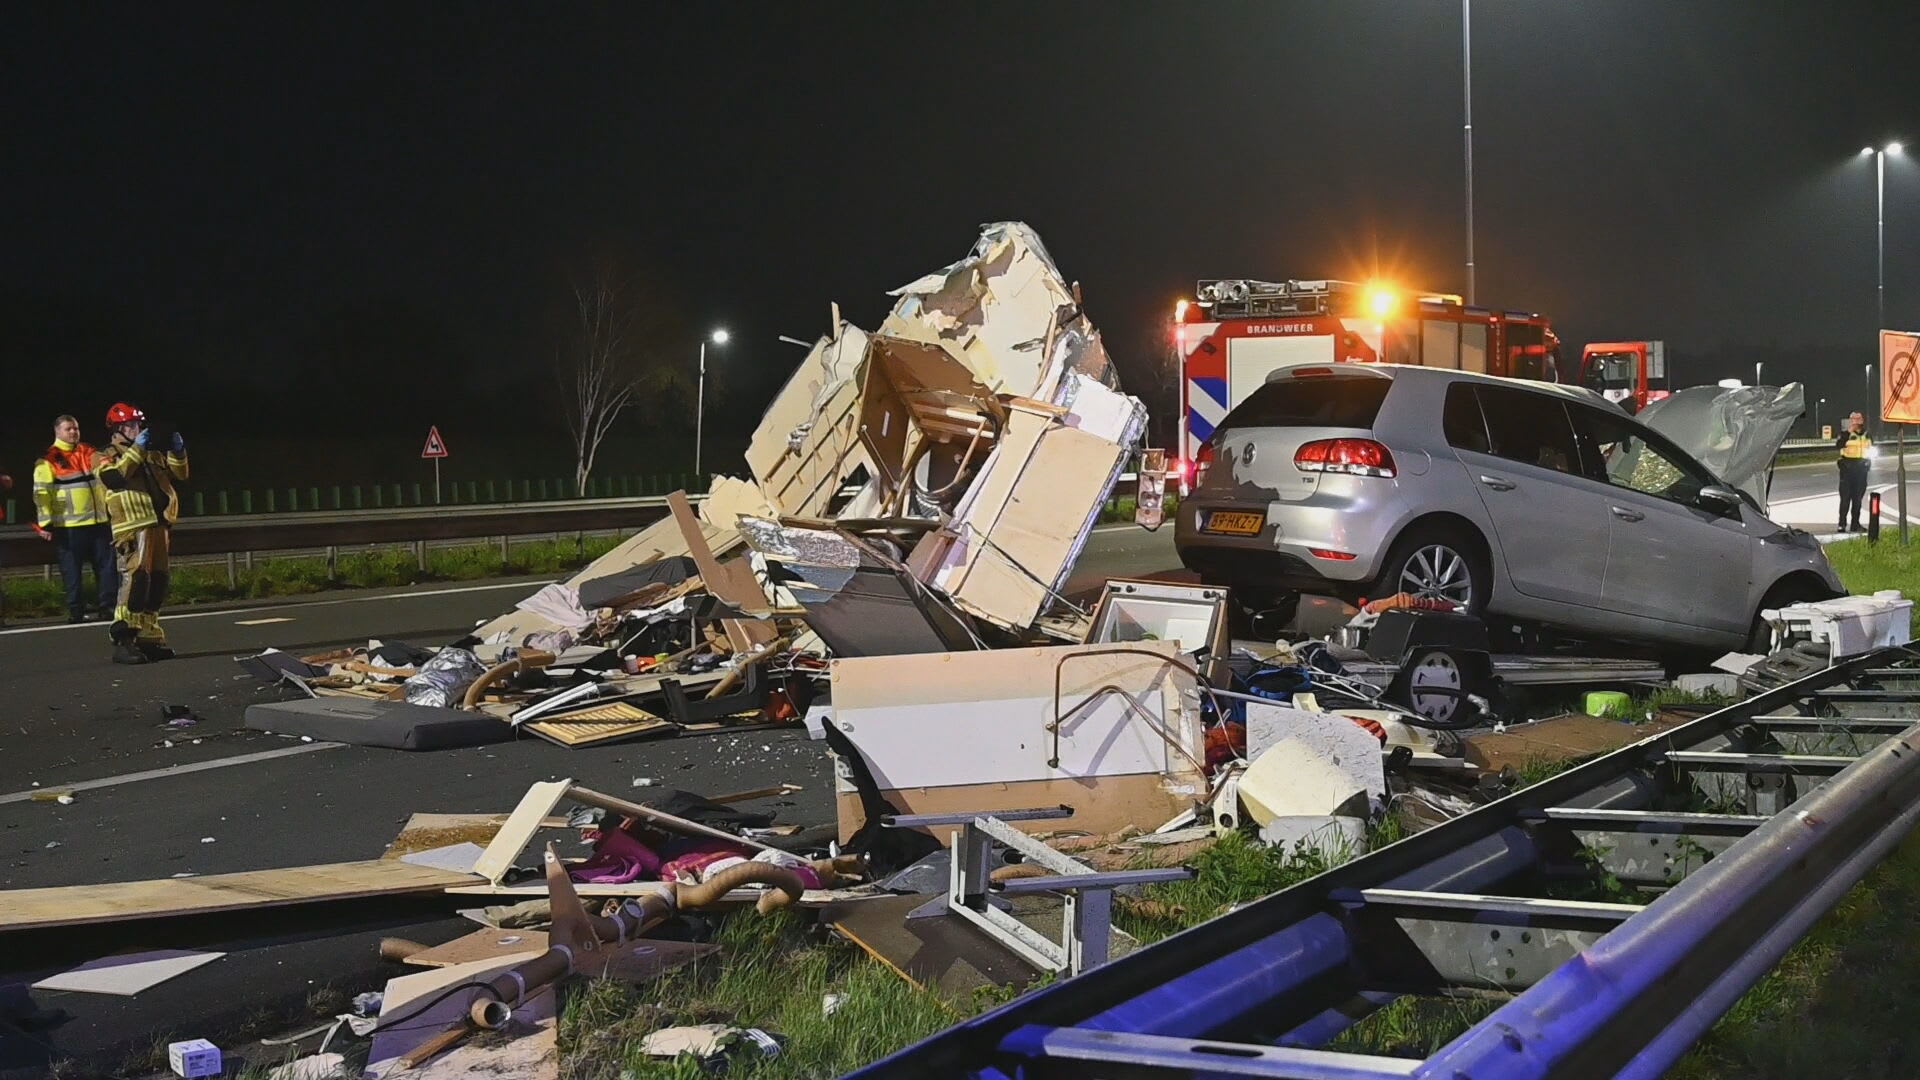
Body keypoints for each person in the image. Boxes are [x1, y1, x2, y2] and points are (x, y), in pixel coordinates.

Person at [94, 402, 189, 664]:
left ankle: (149, 637)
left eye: (139, 425)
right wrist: (138, 448)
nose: (137, 430)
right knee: (135, 580)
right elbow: (114, 477)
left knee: (157, 581)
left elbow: (180, 474)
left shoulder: (150, 453)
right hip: (130, 526)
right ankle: (124, 638)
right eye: (131, 426)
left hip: (158, 523)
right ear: (117, 429)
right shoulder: (105, 454)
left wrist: (177, 450)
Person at [32, 414, 119, 623]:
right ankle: (76, 611)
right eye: (68, 429)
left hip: (98, 522)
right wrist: (46, 524)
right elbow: (41, 494)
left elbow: (109, 472)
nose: (73, 432)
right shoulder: (49, 459)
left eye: (76, 428)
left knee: (107, 568)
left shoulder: (89, 452)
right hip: (68, 526)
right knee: (72, 573)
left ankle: (108, 607)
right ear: (58, 432)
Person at [1836, 410, 1872, 533]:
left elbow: (1871, 448)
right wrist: (1848, 432)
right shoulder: (1844, 434)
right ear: (1850, 421)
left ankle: (1855, 524)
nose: (1856, 421)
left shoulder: (1867, 434)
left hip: (1861, 470)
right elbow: (1838, 445)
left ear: (1862, 420)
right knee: (1845, 498)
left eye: (1859, 419)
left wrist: (1868, 464)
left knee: (1857, 499)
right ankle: (1841, 524)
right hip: (1847, 469)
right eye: (1854, 419)